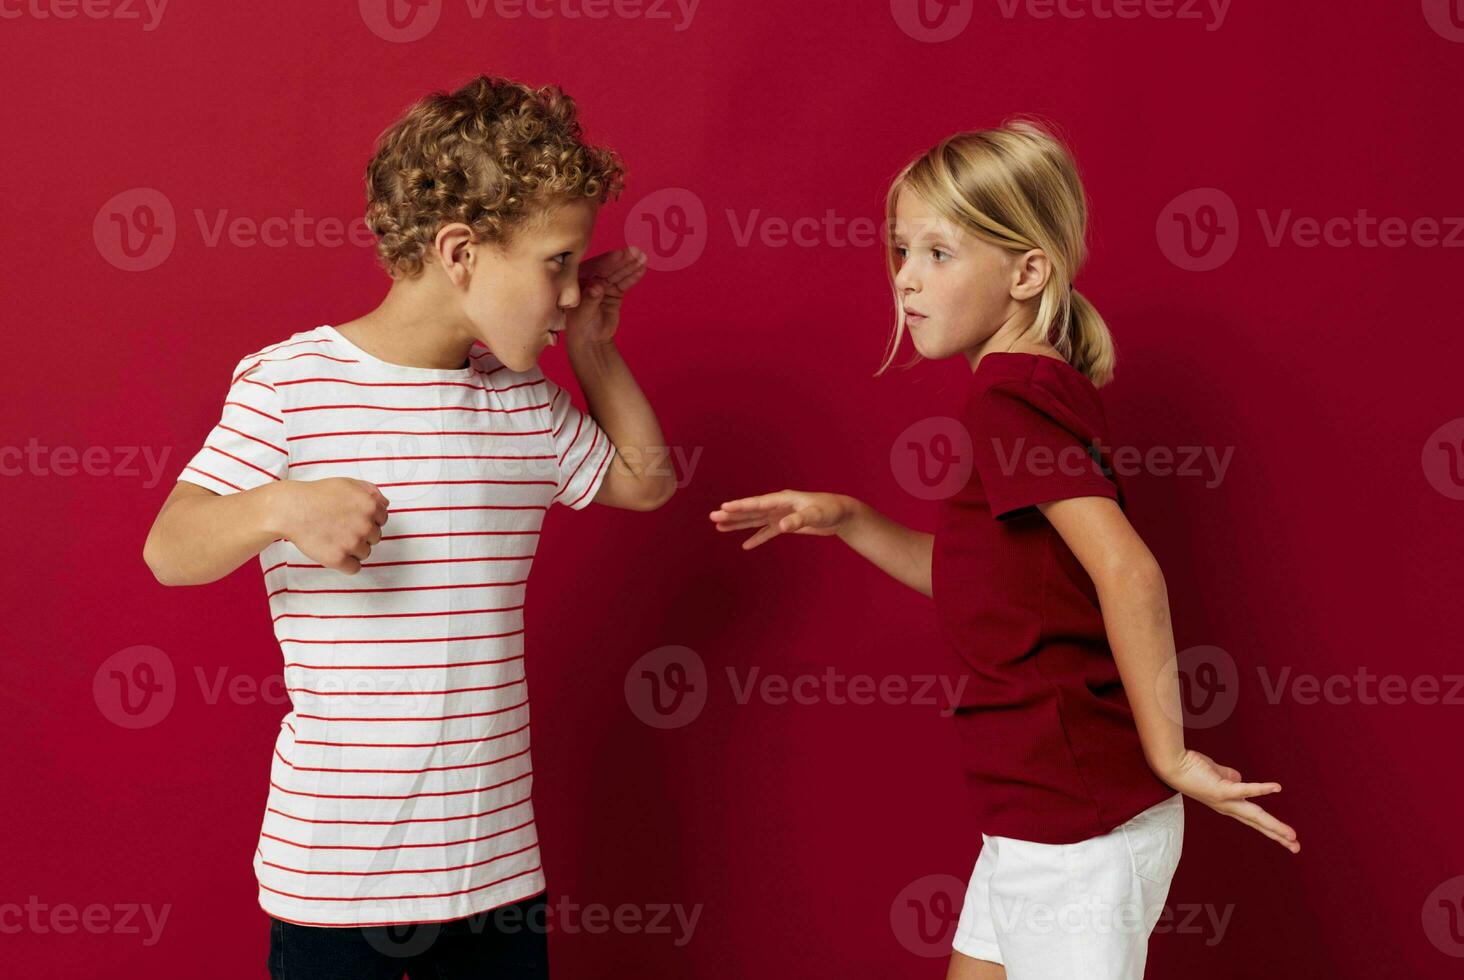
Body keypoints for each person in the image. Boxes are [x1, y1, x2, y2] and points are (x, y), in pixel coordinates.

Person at [709, 119, 1299, 979]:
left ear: (1027, 272)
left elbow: (1128, 570)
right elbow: (979, 585)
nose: (906, 278)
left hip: (1075, 827)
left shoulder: (1009, 399)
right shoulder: (1037, 384)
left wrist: (1171, 754)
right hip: (1036, 813)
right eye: (901, 250)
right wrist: (849, 519)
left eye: (940, 254)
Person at [143, 74, 674, 979]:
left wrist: (595, 352)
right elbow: (169, 549)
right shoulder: (291, 384)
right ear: (461, 251)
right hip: (339, 887)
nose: (574, 292)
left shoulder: (521, 404)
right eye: (557, 262)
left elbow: (646, 482)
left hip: (498, 876)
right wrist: (279, 506)